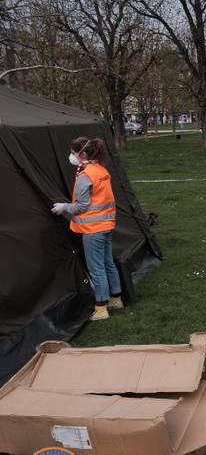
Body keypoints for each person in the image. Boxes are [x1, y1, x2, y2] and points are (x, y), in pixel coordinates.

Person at [51, 137, 123, 321]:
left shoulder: (85, 175)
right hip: (106, 226)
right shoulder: (101, 170)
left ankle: (101, 308)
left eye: (73, 153)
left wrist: (63, 207)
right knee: (108, 263)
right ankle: (116, 299)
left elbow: (81, 206)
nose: (71, 156)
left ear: (82, 154)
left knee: (96, 268)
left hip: (93, 229)